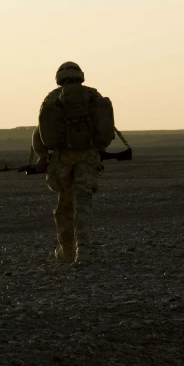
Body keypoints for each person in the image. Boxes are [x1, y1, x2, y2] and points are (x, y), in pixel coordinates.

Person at [31, 62, 114, 265]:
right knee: (84, 202)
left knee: (65, 204)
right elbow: (106, 127)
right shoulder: (93, 96)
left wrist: (42, 155)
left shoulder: (52, 98)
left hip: (61, 158)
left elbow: (40, 131)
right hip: (88, 155)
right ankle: (83, 249)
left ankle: (66, 249)